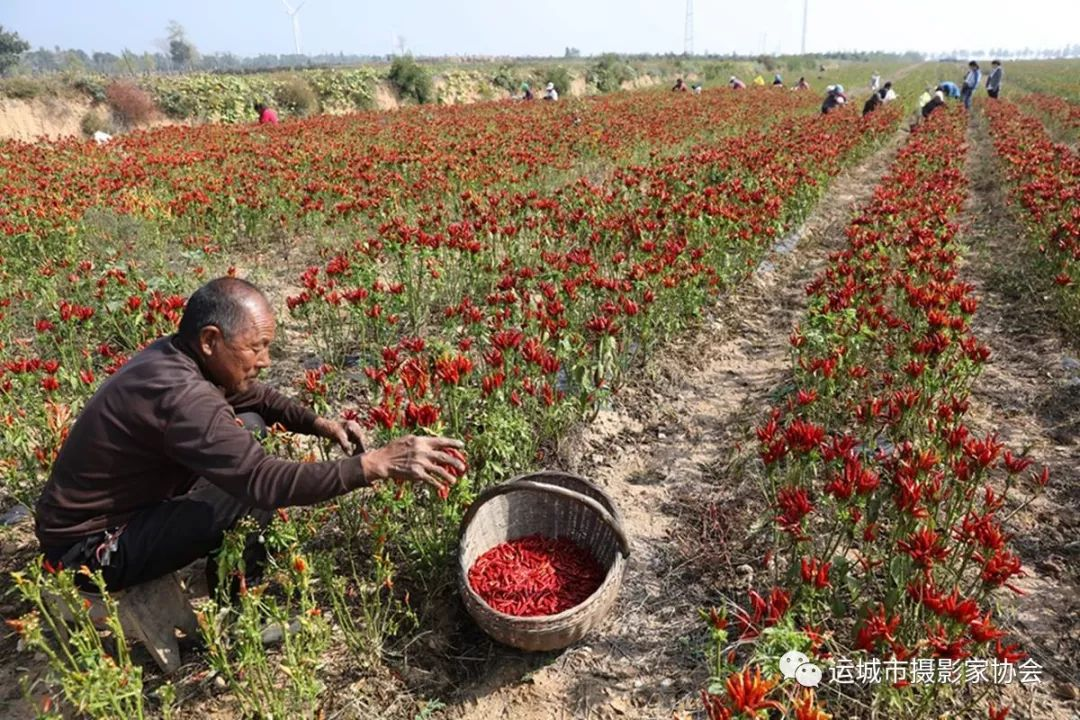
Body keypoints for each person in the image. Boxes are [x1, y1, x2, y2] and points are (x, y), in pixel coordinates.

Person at [34, 277, 465, 593]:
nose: (265, 360)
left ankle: (228, 567)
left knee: (252, 428)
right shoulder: (183, 396)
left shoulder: (175, 355)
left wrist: (321, 424)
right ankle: (240, 596)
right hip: (88, 550)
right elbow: (264, 481)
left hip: (118, 509)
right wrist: (373, 465)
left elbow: (257, 398)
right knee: (245, 489)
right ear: (210, 340)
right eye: (256, 347)